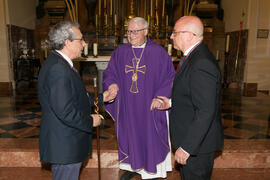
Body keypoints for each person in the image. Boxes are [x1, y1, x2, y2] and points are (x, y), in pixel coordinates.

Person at [103, 17, 175, 180]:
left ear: (146, 32)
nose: (131, 35)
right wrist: (112, 84)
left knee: (150, 135)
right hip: (128, 105)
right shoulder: (120, 52)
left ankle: (153, 169)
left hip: (150, 105)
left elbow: (170, 77)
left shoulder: (158, 53)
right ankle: (132, 166)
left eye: (135, 31)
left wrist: (159, 97)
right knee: (130, 134)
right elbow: (110, 73)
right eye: (129, 31)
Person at [153, 16, 224, 180]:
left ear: (189, 35)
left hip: (197, 146)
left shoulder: (201, 63)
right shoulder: (192, 56)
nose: (171, 36)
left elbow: (206, 110)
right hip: (193, 141)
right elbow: (193, 95)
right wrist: (171, 103)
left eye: (175, 32)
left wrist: (186, 148)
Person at [38, 21, 105, 180]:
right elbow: (65, 110)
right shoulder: (58, 69)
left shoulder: (59, 63)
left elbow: (74, 98)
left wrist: (102, 98)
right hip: (65, 143)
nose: (84, 43)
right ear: (67, 42)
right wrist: (90, 121)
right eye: (80, 39)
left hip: (66, 140)